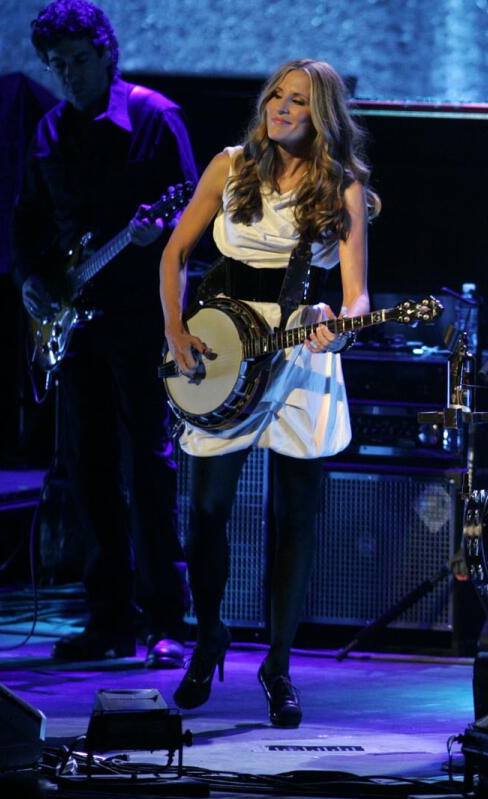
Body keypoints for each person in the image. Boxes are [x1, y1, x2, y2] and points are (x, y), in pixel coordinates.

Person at [159, 58, 379, 727]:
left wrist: (334, 330)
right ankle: (211, 632)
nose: (282, 108)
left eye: (300, 102)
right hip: (223, 344)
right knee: (207, 509)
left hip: (299, 355)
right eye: (278, 96)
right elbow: (173, 253)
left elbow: (356, 294)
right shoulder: (229, 165)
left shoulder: (340, 186)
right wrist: (174, 331)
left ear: (323, 117)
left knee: (296, 517)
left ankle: (278, 663)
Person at [12, 0, 196, 668]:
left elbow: (193, 215)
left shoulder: (155, 118)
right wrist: (29, 278)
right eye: (56, 64)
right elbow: (28, 220)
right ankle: (109, 617)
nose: (68, 75)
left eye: (79, 61)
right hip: (76, 320)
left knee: (147, 467)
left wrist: (155, 239)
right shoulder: (49, 130)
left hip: (140, 317)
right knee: (86, 470)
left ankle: (167, 619)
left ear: (107, 55)